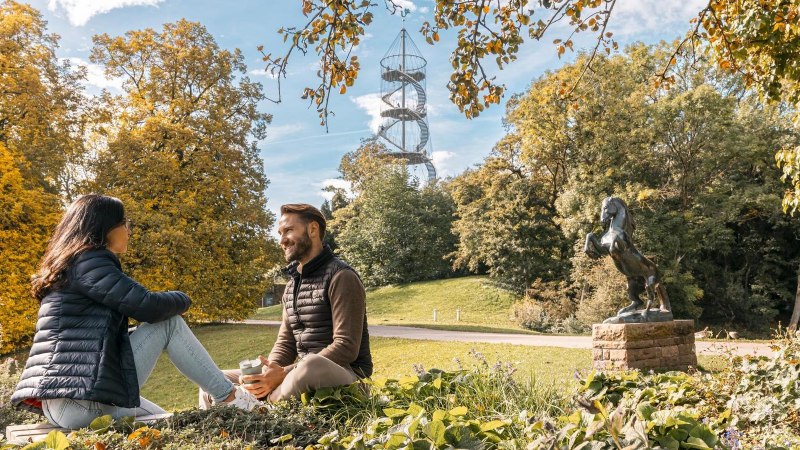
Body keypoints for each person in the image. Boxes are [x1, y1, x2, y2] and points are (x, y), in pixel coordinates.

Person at [11, 194, 261, 429]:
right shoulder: (90, 261)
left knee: (165, 421)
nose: (129, 230)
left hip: (65, 402)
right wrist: (184, 299)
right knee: (168, 323)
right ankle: (230, 397)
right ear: (104, 227)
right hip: (81, 403)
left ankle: (228, 399)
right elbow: (147, 306)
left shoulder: (70, 264)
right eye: (124, 223)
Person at [199, 204, 372, 407]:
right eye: (280, 233)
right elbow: (286, 342)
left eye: (288, 230)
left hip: (347, 375)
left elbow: (346, 347)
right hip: (297, 373)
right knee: (212, 381)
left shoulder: (342, 277)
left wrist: (284, 373)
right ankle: (247, 410)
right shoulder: (291, 286)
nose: (282, 240)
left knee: (311, 364)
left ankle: (260, 407)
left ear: (313, 229)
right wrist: (268, 372)